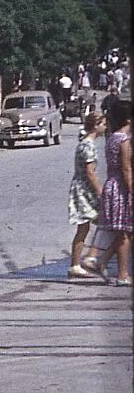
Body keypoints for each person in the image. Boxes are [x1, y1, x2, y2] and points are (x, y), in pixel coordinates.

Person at [84, 100, 132, 286]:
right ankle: (122, 275)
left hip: (112, 185)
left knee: (123, 232)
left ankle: (103, 261)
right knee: (124, 233)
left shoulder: (112, 137)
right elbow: (126, 169)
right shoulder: (124, 141)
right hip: (121, 188)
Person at [67, 112, 106, 278]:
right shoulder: (88, 145)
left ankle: (90, 257)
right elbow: (90, 173)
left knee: (91, 225)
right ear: (96, 125)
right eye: (103, 124)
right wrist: (101, 192)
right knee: (85, 226)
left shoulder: (86, 144)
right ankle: (81, 262)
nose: (105, 127)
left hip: (83, 189)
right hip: (84, 190)